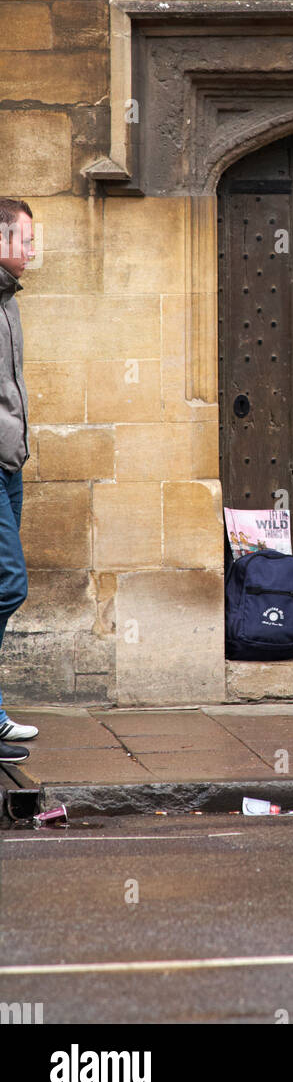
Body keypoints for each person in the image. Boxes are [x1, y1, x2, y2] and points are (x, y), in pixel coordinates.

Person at [0, 198, 38, 763]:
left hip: (9, 465)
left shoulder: (7, 300)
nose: (34, 250)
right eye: (27, 239)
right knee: (8, 583)